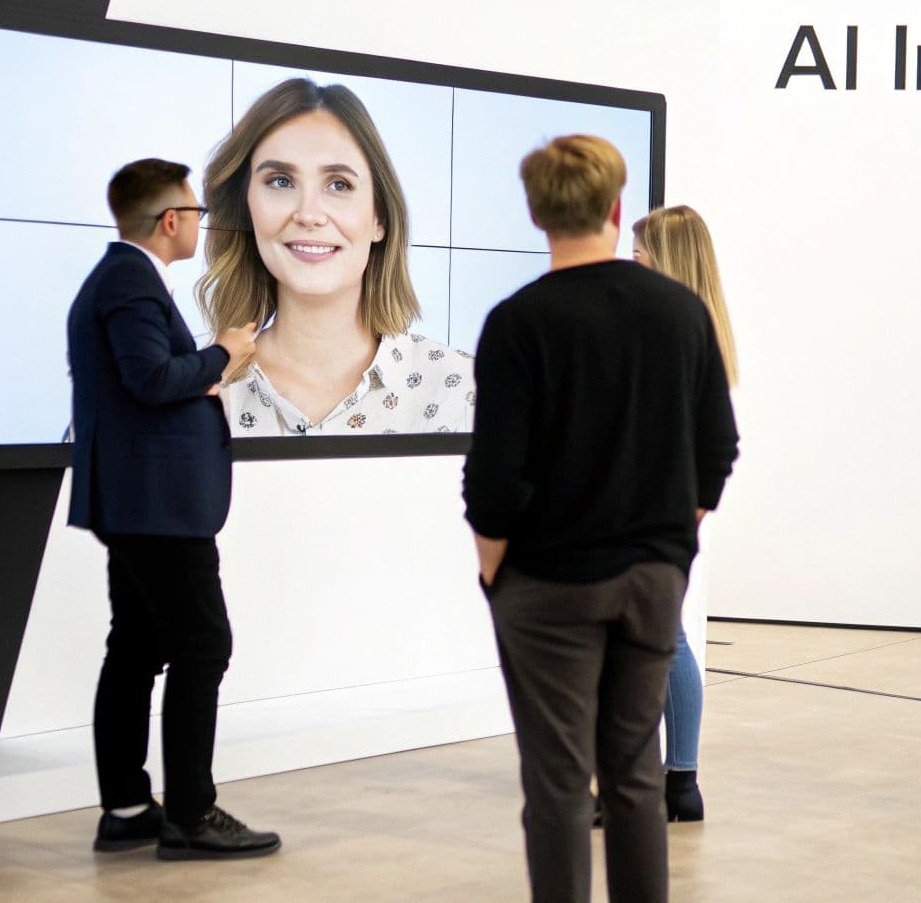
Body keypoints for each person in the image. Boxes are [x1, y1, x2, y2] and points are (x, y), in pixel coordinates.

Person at [464, 136, 739, 902]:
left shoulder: (518, 321)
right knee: (634, 776)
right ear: (617, 210)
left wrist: (497, 572)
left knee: (556, 784)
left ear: (536, 214)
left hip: (546, 585)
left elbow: (492, 478)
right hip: (650, 580)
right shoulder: (680, 312)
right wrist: (669, 549)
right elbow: (717, 448)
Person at [67, 158, 280, 860]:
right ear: (170, 221)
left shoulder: (119, 279)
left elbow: (147, 383)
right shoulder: (129, 281)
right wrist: (222, 354)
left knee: (136, 646)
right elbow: (153, 379)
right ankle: (190, 814)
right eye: (195, 212)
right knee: (201, 646)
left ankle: (128, 808)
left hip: (140, 502)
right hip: (154, 507)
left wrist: (210, 373)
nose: (199, 222)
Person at [198, 78, 473, 436]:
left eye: (339, 184)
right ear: (246, 209)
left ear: (379, 219)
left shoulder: (466, 392)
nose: (309, 214)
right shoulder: (192, 389)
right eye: (281, 181)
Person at [629, 205, 739, 823]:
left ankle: (641, 782)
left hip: (639, 513)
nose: (630, 258)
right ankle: (680, 783)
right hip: (673, 513)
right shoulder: (703, 332)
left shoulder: (656, 331)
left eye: (640, 249)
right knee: (666, 639)